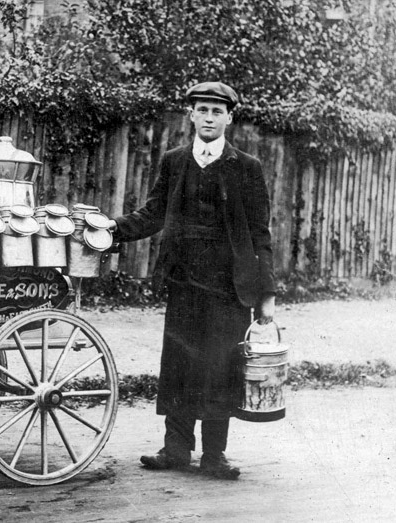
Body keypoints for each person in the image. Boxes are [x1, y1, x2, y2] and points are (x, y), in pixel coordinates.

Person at [107, 81, 276, 480]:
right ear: (192, 114)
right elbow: (152, 214)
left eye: (218, 112)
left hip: (229, 288)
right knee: (180, 364)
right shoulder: (175, 160)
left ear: (229, 118)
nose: (209, 118)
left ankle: (215, 456)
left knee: (221, 368)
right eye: (203, 110)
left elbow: (260, 233)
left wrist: (267, 294)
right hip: (183, 282)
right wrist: (110, 229)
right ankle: (176, 450)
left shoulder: (247, 167)